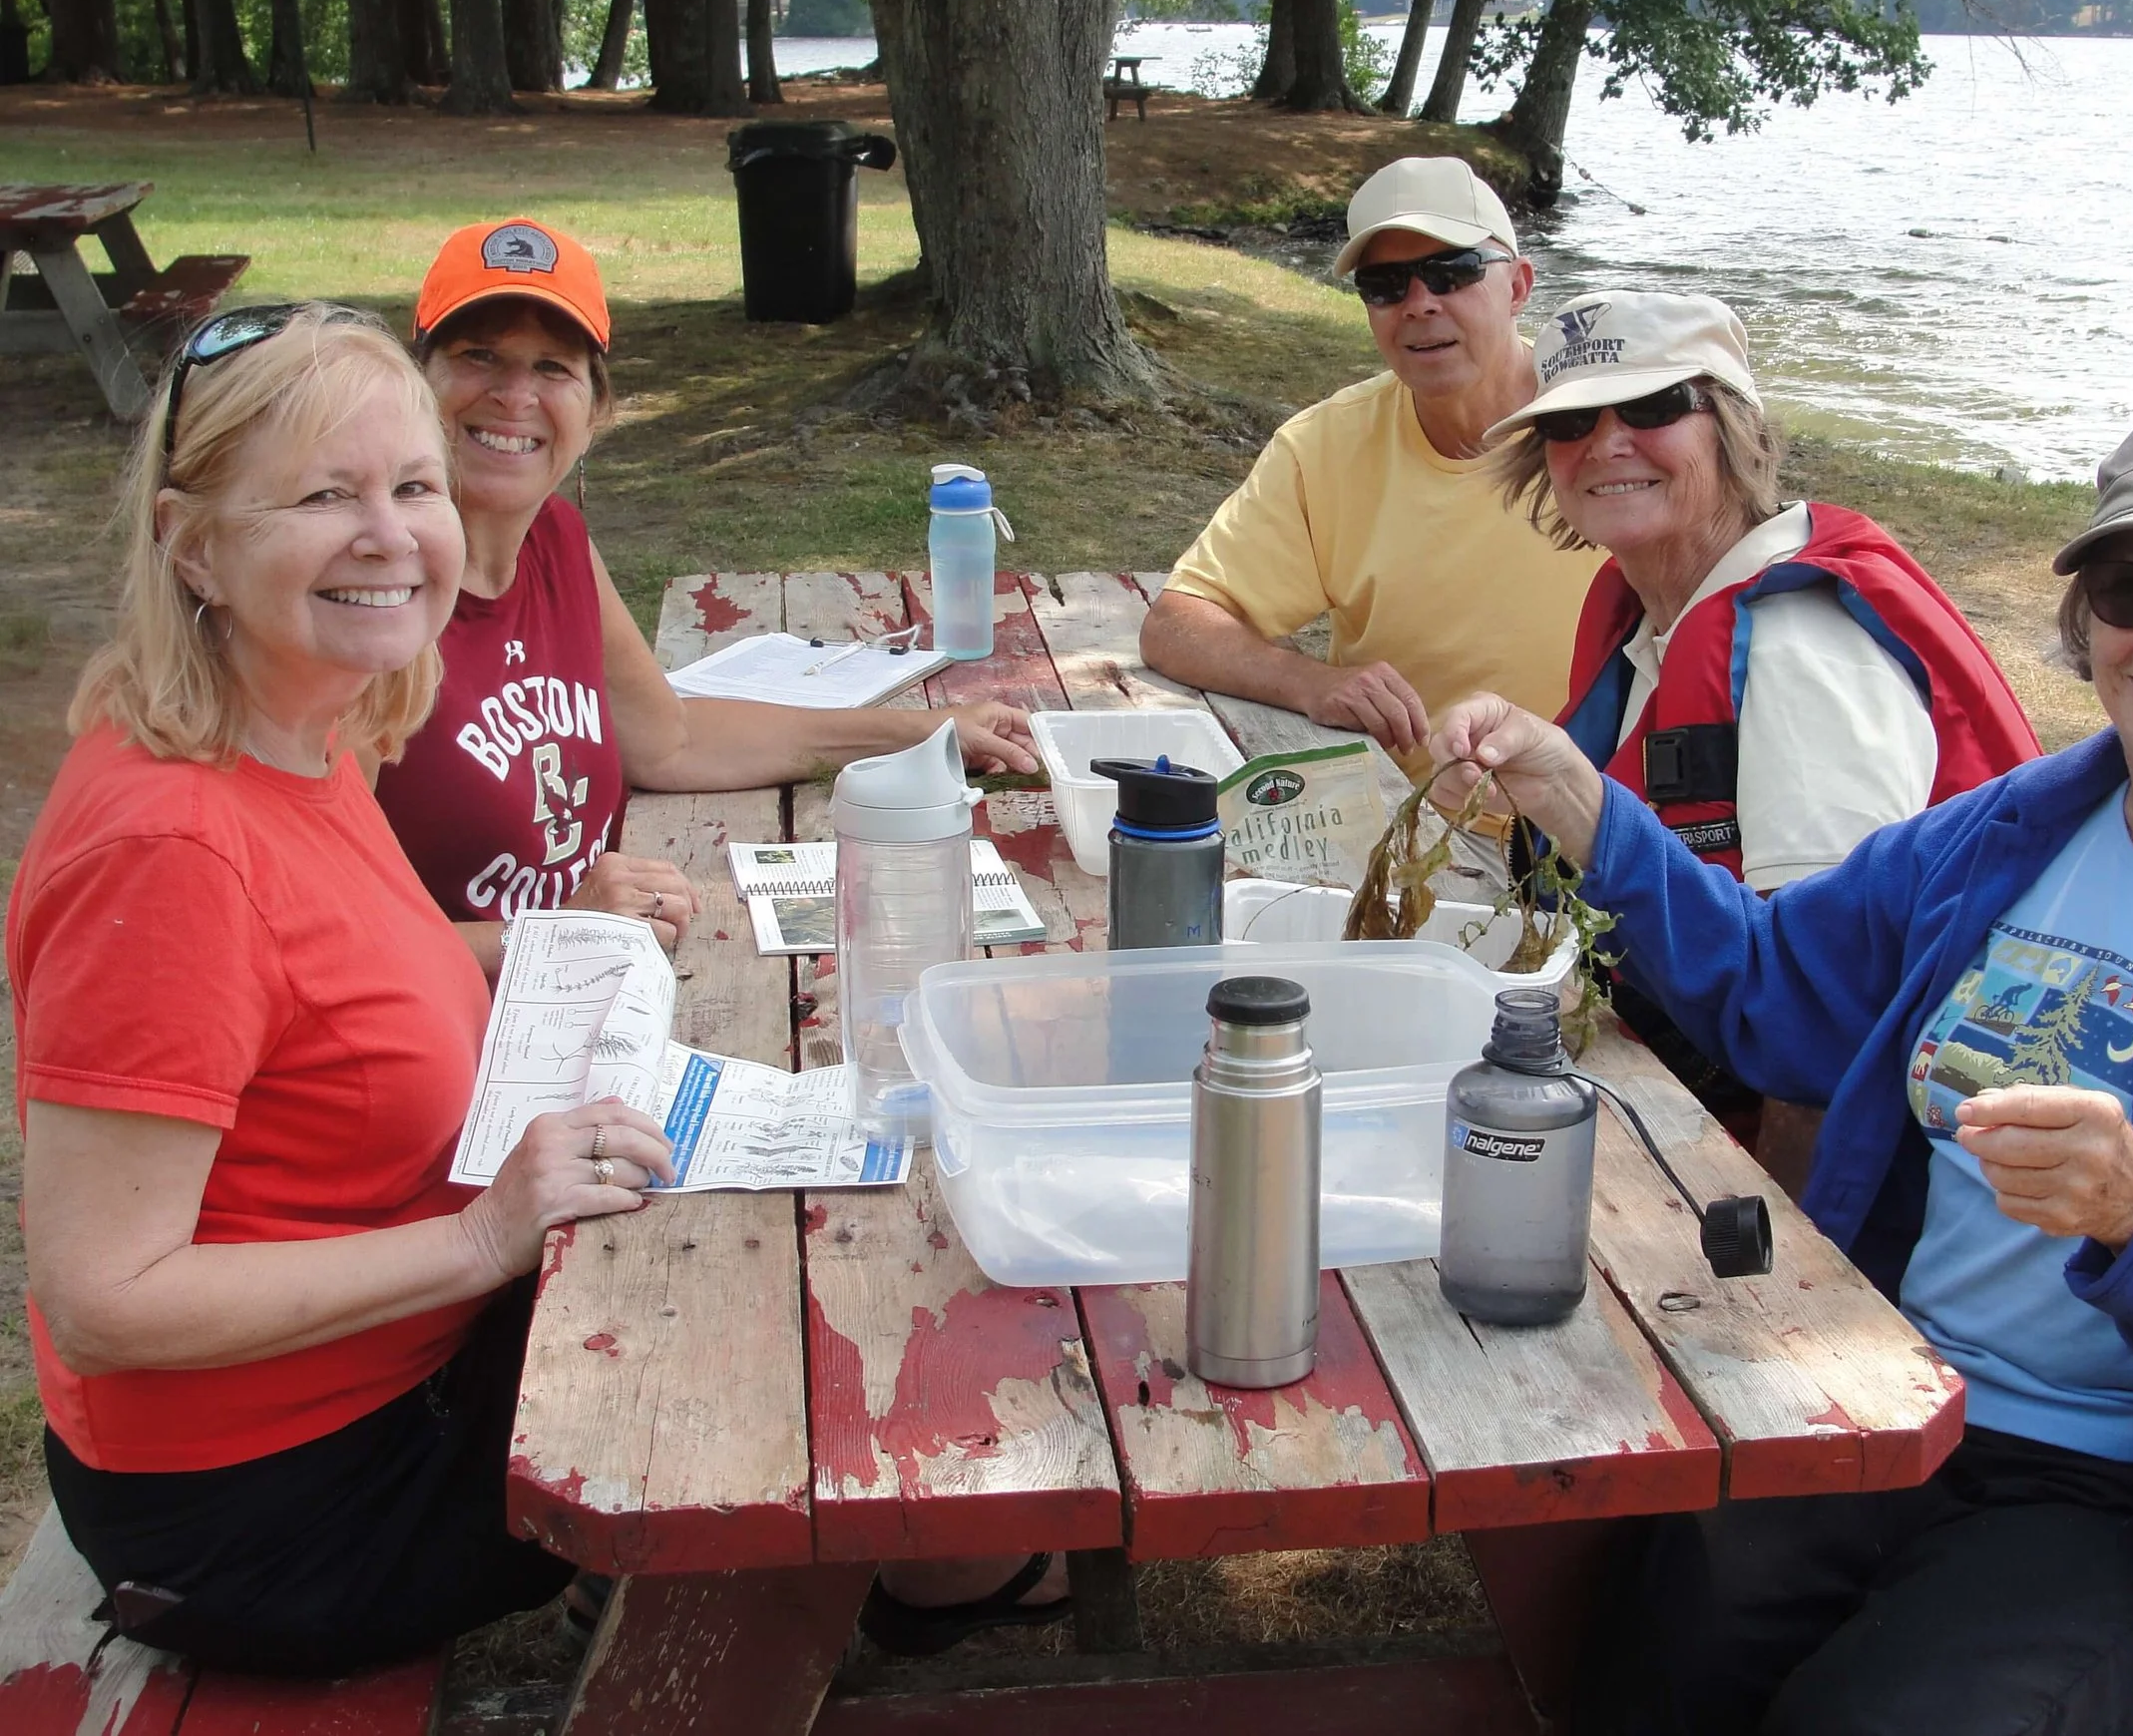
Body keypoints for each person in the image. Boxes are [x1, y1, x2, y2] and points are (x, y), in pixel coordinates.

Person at [1428, 411, 2133, 1736]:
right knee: (1646, 1665)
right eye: (2131, 587)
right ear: (2083, 620)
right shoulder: (2011, 836)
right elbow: (1773, 988)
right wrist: (1581, 798)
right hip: (1902, 1398)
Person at [9, 303, 676, 1676]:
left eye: (413, 485)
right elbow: (104, 1295)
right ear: (194, 544)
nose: (394, 535)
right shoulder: (170, 844)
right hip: (277, 1506)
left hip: (385, 1383)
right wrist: (483, 1241)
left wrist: (556, 939)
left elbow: (336, 982)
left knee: (728, 1253)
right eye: (326, 496)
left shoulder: (309, 724)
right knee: (739, 1381)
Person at [378, 218, 1037, 974]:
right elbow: (322, 946)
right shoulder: (375, 600)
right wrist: (549, 932)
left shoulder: (557, 543)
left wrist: (926, 731)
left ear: (594, 412)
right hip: (475, 1045)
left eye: (553, 367)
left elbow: (674, 740)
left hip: (601, 982)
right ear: (415, 385)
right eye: (478, 355)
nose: (514, 394)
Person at [1487, 289, 2036, 1170]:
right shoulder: (1650, 613)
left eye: (1656, 406)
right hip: (1676, 1081)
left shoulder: (1796, 642)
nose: (1607, 442)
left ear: (1733, 430)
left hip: (1858, 1164)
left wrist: (1775, 1254)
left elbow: (1832, 1004)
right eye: (1573, 419)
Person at [1139, 158, 1604, 779]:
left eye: (1451, 272)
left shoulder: (1618, 428)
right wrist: (1310, 682)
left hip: (1602, 828)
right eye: (1385, 285)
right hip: (1416, 827)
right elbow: (1177, 625)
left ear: (1519, 286)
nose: (1418, 305)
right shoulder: (1325, 445)